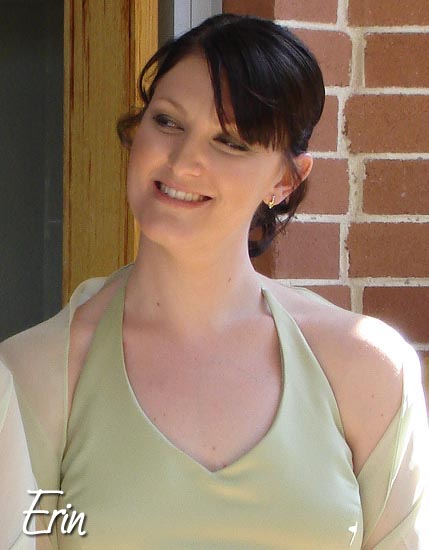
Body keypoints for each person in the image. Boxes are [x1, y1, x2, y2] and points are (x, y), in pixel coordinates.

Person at [1, 13, 428, 549]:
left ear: (286, 179)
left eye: (230, 142)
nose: (183, 162)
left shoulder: (369, 370)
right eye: (167, 121)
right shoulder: (34, 374)